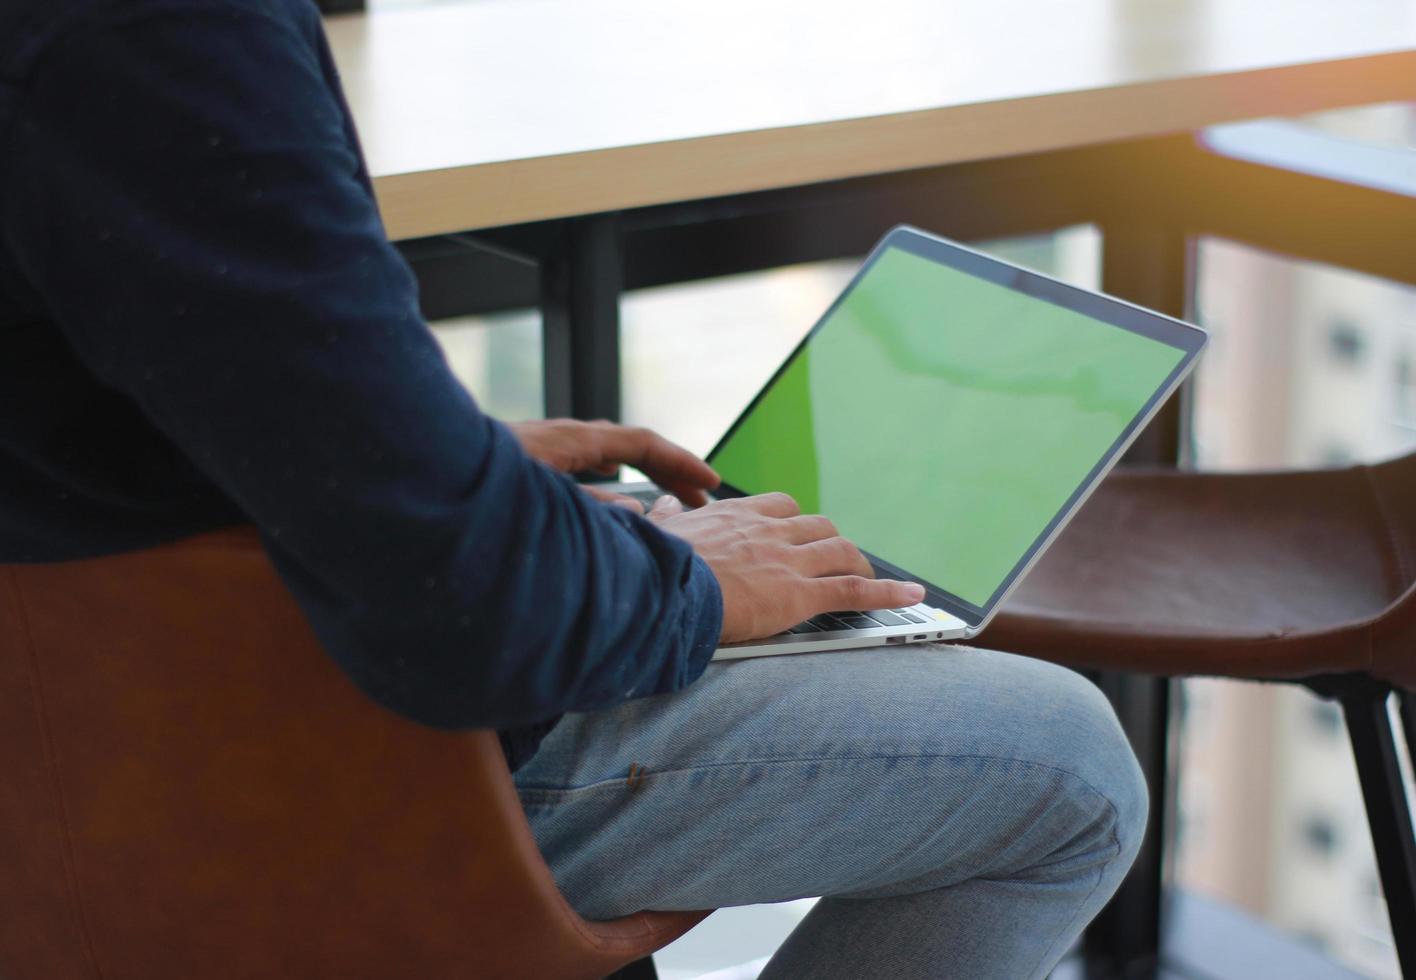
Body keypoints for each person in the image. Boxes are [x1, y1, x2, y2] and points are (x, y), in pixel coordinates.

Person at [0, 0, 1147, 976]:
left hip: (110, 680)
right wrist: (681, 582)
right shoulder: (166, 37)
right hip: (259, 743)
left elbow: (109, 380)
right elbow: (463, 609)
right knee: (1069, 768)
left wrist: (433, 452)